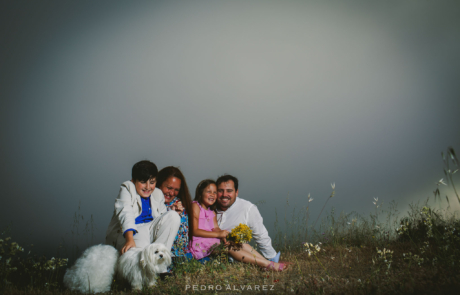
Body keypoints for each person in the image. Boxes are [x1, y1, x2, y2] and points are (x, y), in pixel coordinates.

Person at [105, 160, 181, 255]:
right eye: (143, 182)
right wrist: (129, 239)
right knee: (141, 256)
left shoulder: (157, 193)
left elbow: (161, 219)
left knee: (173, 216)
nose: (148, 187)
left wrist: (171, 213)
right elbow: (126, 213)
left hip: (150, 229)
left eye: (152, 182)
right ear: (133, 180)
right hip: (133, 231)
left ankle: (161, 263)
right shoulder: (127, 188)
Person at [215, 174, 287, 271]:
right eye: (220, 191)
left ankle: (270, 263)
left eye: (229, 191)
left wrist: (272, 257)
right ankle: (269, 264)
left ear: (236, 192)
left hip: (238, 257)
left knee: (238, 243)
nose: (224, 195)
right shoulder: (209, 207)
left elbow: (261, 235)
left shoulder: (247, 208)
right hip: (213, 254)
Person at [156, 166, 193, 260]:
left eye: (176, 190)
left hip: (181, 257)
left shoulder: (182, 205)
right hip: (157, 257)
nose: (172, 193)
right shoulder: (150, 202)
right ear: (159, 183)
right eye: (169, 188)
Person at [189, 179, 229, 262]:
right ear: (200, 193)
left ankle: (261, 261)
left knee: (233, 245)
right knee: (228, 249)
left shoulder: (212, 212)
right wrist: (218, 234)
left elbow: (216, 228)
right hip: (199, 241)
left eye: (215, 192)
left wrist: (223, 234)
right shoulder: (196, 206)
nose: (212, 195)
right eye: (209, 192)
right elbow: (194, 231)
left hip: (211, 240)